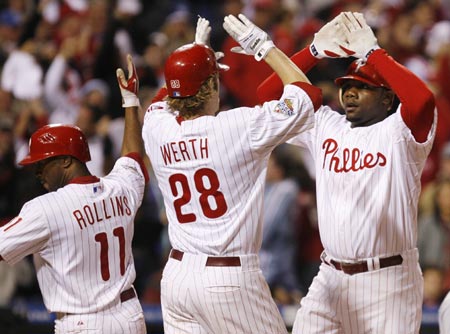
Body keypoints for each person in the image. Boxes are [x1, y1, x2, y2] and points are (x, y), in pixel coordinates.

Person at [257, 11, 437, 333]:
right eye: (347, 85)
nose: (350, 92)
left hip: (388, 280)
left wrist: (373, 54)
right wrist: (313, 53)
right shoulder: (325, 125)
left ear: (387, 98)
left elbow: (423, 101)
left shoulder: (402, 133)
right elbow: (269, 98)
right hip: (330, 277)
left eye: (363, 87)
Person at [142, 15, 322, 334]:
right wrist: (265, 48)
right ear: (211, 85)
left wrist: (193, 55)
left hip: (178, 277)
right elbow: (307, 96)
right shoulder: (237, 126)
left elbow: (162, 100)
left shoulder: (157, 128)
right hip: (229, 279)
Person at [0, 54, 149, 334]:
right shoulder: (119, 187)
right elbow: (133, 157)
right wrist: (130, 103)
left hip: (84, 323)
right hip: (129, 316)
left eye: (43, 163)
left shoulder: (45, 208)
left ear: (67, 160)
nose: (38, 171)